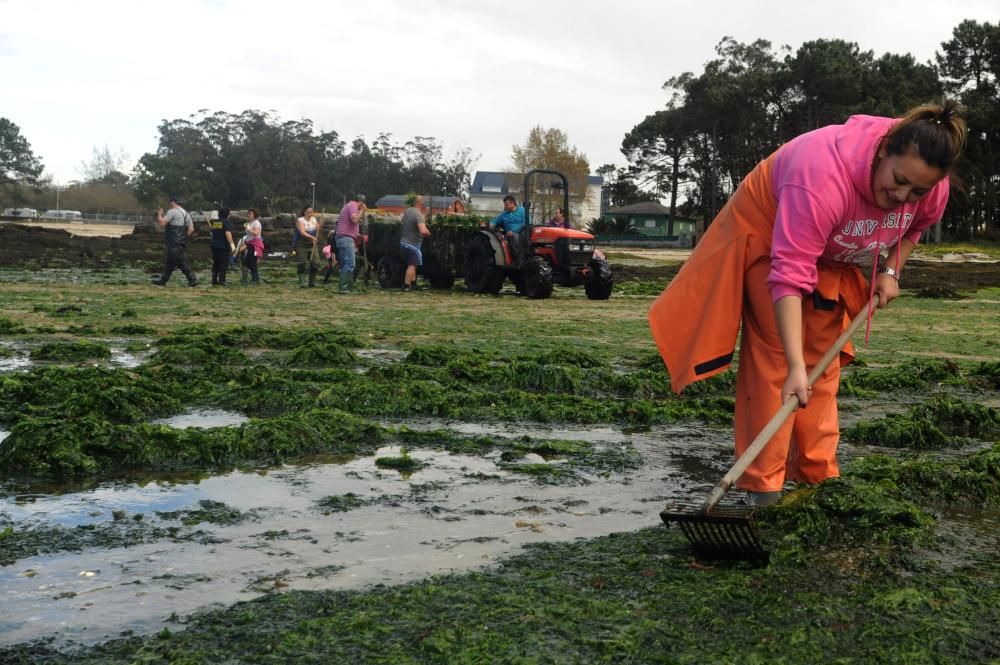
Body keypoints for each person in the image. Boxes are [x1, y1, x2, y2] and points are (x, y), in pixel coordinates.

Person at [648, 100, 966, 506]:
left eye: (916, 190)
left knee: (822, 367)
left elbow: (914, 228)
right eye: (898, 180)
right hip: (767, 232)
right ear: (884, 149)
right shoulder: (819, 177)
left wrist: (891, 271)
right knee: (780, 362)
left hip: (831, 252)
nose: (902, 196)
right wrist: (796, 368)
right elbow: (789, 275)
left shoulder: (929, 191)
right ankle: (761, 491)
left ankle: (816, 478)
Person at [152, 195, 197, 286]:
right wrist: (184, 237)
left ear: (173, 202)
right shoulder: (186, 213)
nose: (169, 204)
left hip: (173, 241)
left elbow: (162, 223)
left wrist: (159, 213)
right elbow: (191, 229)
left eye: (170, 202)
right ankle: (163, 280)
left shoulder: (172, 212)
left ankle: (192, 279)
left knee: (180, 260)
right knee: (170, 262)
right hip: (181, 241)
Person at [334, 194, 367, 293]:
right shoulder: (353, 206)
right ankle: (344, 287)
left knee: (345, 264)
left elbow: (350, 225)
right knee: (350, 264)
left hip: (342, 238)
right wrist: (362, 211)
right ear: (361, 202)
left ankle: (348, 287)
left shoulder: (347, 206)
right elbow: (355, 219)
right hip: (346, 239)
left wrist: (359, 236)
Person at [400, 194, 431, 291]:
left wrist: (424, 215)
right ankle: (406, 286)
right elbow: (423, 230)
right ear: (422, 204)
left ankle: (413, 284)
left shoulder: (408, 211)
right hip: (412, 244)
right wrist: (429, 233)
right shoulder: (418, 214)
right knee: (412, 265)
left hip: (403, 243)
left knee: (413, 264)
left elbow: (412, 221)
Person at [490, 195, 526, 263]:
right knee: (513, 236)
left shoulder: (522, 211)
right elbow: (495, 220)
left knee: (518, 236)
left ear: (512, 203)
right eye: (505, 205)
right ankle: (517, 260)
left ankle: (521, 258)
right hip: (509, 236)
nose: (505, 207)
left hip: (522, 233)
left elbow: (526, 223)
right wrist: (492, 223)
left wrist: (513, 231)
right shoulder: (504, 214)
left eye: (506, 205)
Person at [295, 206, 323, 288]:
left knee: (315, 263)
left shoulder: (314, 219)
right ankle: (302, 283)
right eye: (308, 212)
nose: (310, 214)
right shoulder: (300, 220)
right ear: (304, 212)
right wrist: (312, 237)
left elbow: (317, 229)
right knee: (302, 263)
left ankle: (312, 282)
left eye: (311, 212)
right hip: (301, 244)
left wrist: (320, 225)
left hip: (312, 244)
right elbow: (302, 232)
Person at [209, 207, 236, 286]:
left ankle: (214, 280)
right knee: (223, 263)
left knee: (216, 263)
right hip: (223, 246)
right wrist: (232, 245)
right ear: (227, 214)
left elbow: (213, 232)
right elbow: (228, 233)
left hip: (214, 245)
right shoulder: (226, 222)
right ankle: (222, 280)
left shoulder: (215, 222)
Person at [238, 208, 264, 285]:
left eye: (250, 214)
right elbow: (248, 235)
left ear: (255, 215)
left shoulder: (256, 223)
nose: (248, 215)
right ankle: (255, 278)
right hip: (249, 245)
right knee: (247, 263)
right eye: (248, 214)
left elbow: (256, 233)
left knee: (252, 263)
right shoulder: (249, 223)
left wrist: (248, 228)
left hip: (255, 245)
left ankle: (255, 279)